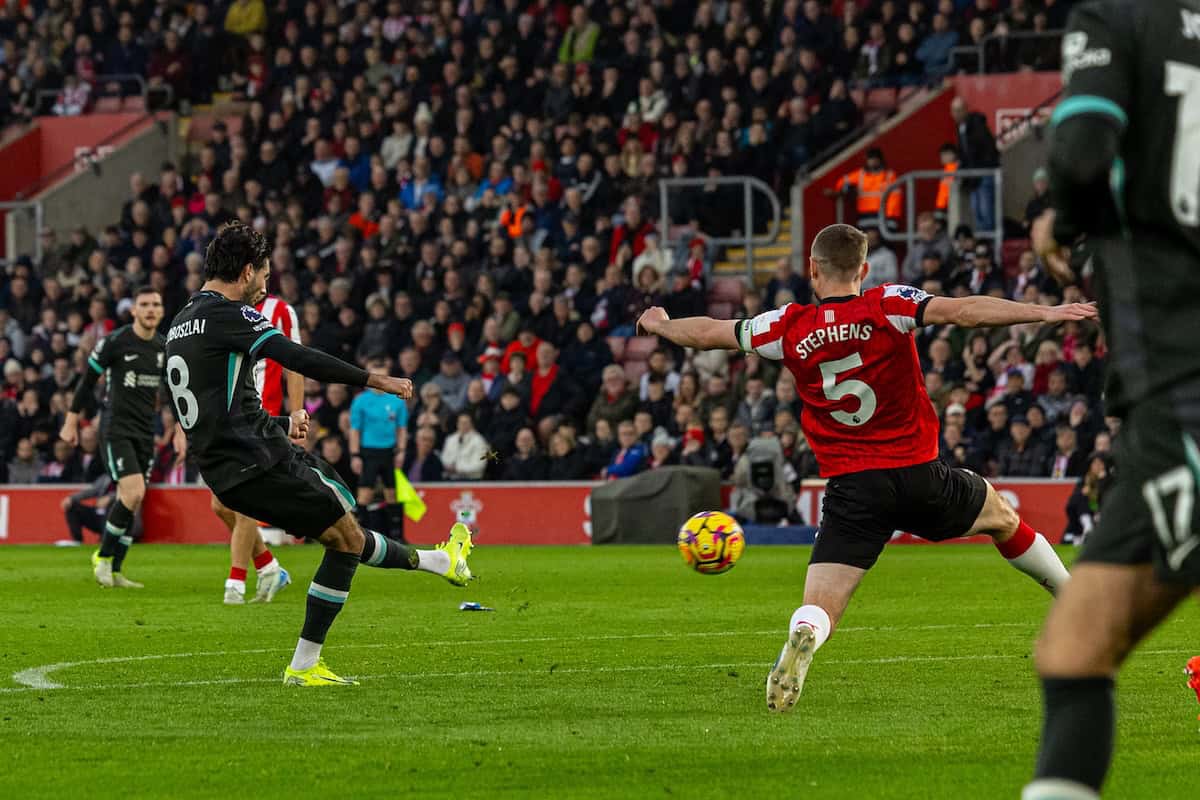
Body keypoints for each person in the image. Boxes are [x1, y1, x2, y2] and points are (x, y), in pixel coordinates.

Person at [637, 223, 1092, 714]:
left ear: (812, 270)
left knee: (822, 604)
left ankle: (805, 632)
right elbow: (965, 311)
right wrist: (1044, 312)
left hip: (853, 488)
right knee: (1001, 516)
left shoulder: (784, 325)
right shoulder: (889, 305)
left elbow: (708, 334)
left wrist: (661, 325)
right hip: (920, 475)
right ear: (864, 269)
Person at [165, 222, 474, 687]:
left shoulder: (181, 322)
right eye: (263, 281)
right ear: (247, 271)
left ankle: (440, 562)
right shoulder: (229, 314)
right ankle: (305, 665)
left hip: (227, 471)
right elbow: (297, 356)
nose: (262, 292)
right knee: (346, 534)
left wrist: (284, 423)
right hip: (264, 462)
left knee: (344, 533)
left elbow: (220, 411)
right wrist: (377, 380)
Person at [1025, 3, 1200, 797]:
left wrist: (1062, 215)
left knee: (1077, 649)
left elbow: (1083, 150)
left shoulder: (1120, 17)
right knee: (1076, 642)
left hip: (1181, 377)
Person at [61, 286, 187, 589]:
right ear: (134, 310)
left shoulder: (163, 347)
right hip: (116, 429)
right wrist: (71, 421)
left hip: (145, 432)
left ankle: (116, 571)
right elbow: (87, 381)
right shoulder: (114, 342)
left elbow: (173, 394)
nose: (151, 310)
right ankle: (103, 559)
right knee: (131, 493)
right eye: (144, 304)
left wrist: (181, 430)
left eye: (156, 304)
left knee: (134, 497)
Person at [217, 291, 300, 605]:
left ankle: (235, 584)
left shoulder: (279, 310)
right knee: (220, 505)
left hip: (262, 420)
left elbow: (295, 364)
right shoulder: (220, 310)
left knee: (242, 504)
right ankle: (269, 567)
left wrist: (297, 416)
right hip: (227, 422)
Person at [349, 355, 409, 541]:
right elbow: (355, 430)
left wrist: (401, 451)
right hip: (369, 452)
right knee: (365, 494)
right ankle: (361, 536)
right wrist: (355, 454)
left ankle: (397, 536)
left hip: (389, 451)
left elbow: (401, 428)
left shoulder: (397, 400)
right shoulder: (360, 401)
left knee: (392, 493)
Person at [58, 473, 143, 548]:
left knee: (112, 508)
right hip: (101, 516)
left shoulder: (131, 478)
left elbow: (132, 494)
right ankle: (77, 541)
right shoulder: (106, 477)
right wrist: (71, 498)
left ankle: (106, 542)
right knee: (73, 507)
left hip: (123, 522)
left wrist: (110, 498)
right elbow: (91, 491)